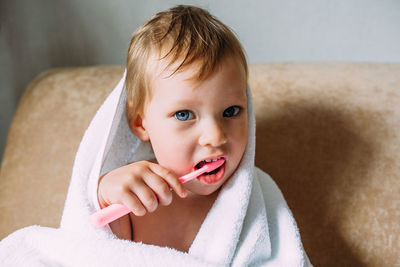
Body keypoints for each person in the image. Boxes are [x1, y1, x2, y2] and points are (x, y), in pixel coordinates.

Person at [0, 5, 311, 266]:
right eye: (185, 115)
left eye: (231, 111)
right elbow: (89, 252)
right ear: (140, 123)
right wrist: (102, 194)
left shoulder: (257, 198)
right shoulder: (127, 197)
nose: (215, 136)